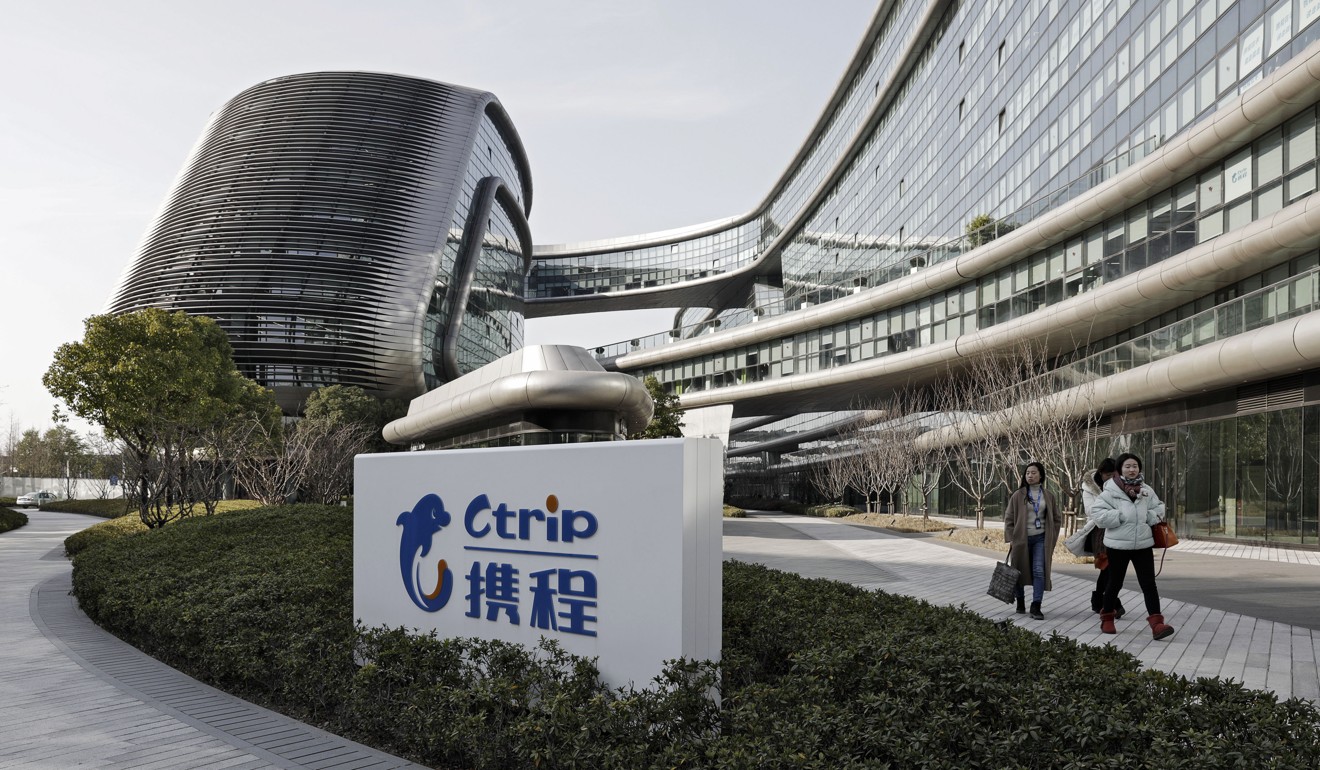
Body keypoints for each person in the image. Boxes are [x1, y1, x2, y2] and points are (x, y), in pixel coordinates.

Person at [1087, 452, 1175, 640]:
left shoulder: (1146, 490)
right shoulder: (1110, 491)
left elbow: (1159, 508)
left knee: (1149, 583)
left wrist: (1147, 518)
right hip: (1117, 545)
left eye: (1135, 466)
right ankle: (1107, 617)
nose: (1132, 469)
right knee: (1115, 582)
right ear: (1120, 469)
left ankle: (1157, 624)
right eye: (1127, 466)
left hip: (1143, 544)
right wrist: (1119, 516)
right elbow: (1097, 514)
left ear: (1139, 469)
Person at [1003, 461, 1062, 620]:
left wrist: (1052, 537)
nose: (1030, 475)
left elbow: (1057, 518)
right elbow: (1009, 518)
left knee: (1039, 570)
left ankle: (1036, 605)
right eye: (1028, 473)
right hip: (1021, 539)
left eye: (1034, 472)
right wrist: (1011, 538)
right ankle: (1020, 601)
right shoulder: (1018, 495)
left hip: (1041, 539)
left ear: (1041, 475)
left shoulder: (1049, 495)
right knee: (1018, 571)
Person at [1079, 458, 1126, 619]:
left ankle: (1100, 600)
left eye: (1114, 474)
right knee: (1107, 567)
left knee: (1111, 569)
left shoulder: (1120, 485)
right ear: (1100, 473)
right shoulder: (1089, 488)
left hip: (1117, 530)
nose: (1111, 478)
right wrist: (1113, 512)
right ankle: (1112, 603)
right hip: (1099, 531)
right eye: (1108, 475)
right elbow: (1091, 511)